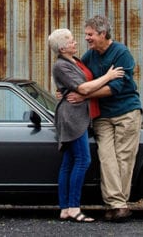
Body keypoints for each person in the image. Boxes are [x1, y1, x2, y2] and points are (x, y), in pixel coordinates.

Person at [69, 15, 142, 222]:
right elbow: (79, 80)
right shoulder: (89, 57)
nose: (87, 38)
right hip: (102, 115)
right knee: (106, 158)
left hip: (126, 111)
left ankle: (116, 205)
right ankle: (118, 204)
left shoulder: (121, 53)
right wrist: (67, 92)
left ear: (103, 34)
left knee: (124, 158)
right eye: (86, 35)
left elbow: (115, 88)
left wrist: (85, 94)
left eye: (90, 34)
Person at [48, 27, 125, 223]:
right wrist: (109, 76)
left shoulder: (75, 60)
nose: (76, 42)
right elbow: (82, 88)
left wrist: (63, 91)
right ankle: (74, 208)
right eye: (72, 40)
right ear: (63, 47)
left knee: (69, 162)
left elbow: (75, 86)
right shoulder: (60, 65)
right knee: (83, 160)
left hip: (79, 114)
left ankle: (65, 208)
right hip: (72, 117)